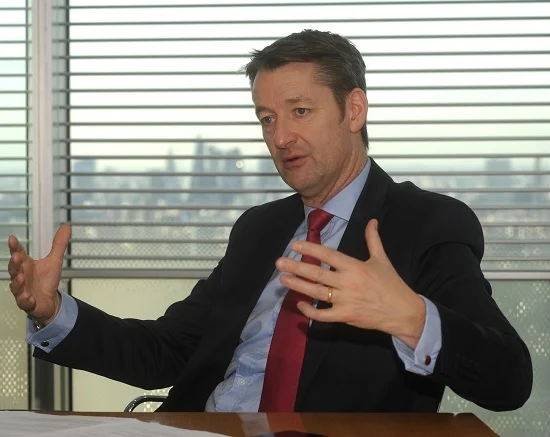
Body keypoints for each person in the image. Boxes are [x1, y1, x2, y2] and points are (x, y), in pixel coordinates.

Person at [8, 29, 532, 413]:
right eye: (267, 118)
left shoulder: (427, 223)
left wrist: (412, 318)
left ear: (354, 111)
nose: (279, 138)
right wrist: (53, 312)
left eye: (300, 111)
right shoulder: (258, 229)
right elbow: (168, 351)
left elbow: (510, 379)